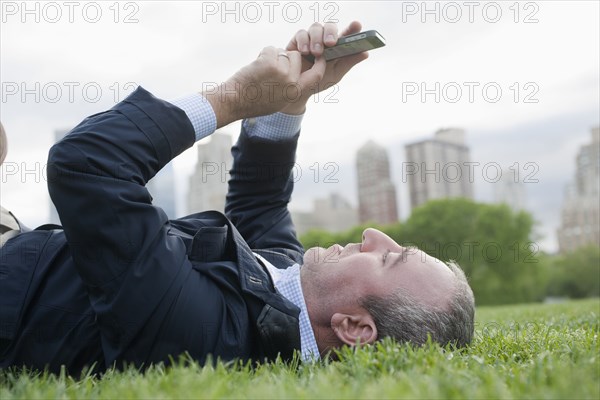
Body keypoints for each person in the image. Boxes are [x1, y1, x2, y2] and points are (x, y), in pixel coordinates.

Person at [0, 22, 474, 374]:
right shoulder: (290, 288)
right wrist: (288, 101)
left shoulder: (204, 334)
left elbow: (87, 164)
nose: (373, 235)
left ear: (353, 327)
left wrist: (235, 97)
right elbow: (260, 205)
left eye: (388, 259)